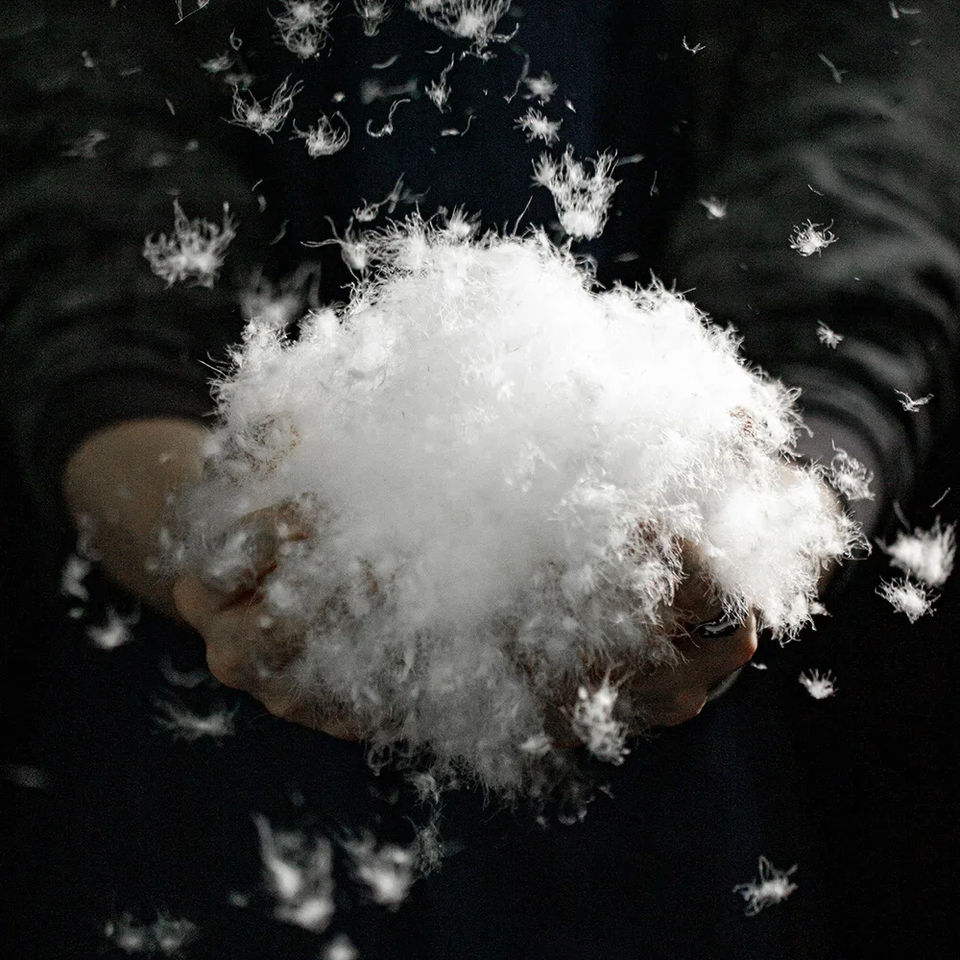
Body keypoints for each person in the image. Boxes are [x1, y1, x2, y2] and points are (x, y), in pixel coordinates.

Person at [1, 2, 957, 957]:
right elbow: (92, 261)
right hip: (198, 790)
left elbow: (854, 227)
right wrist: (215, 546)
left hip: (679, 813)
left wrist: (754, 532)